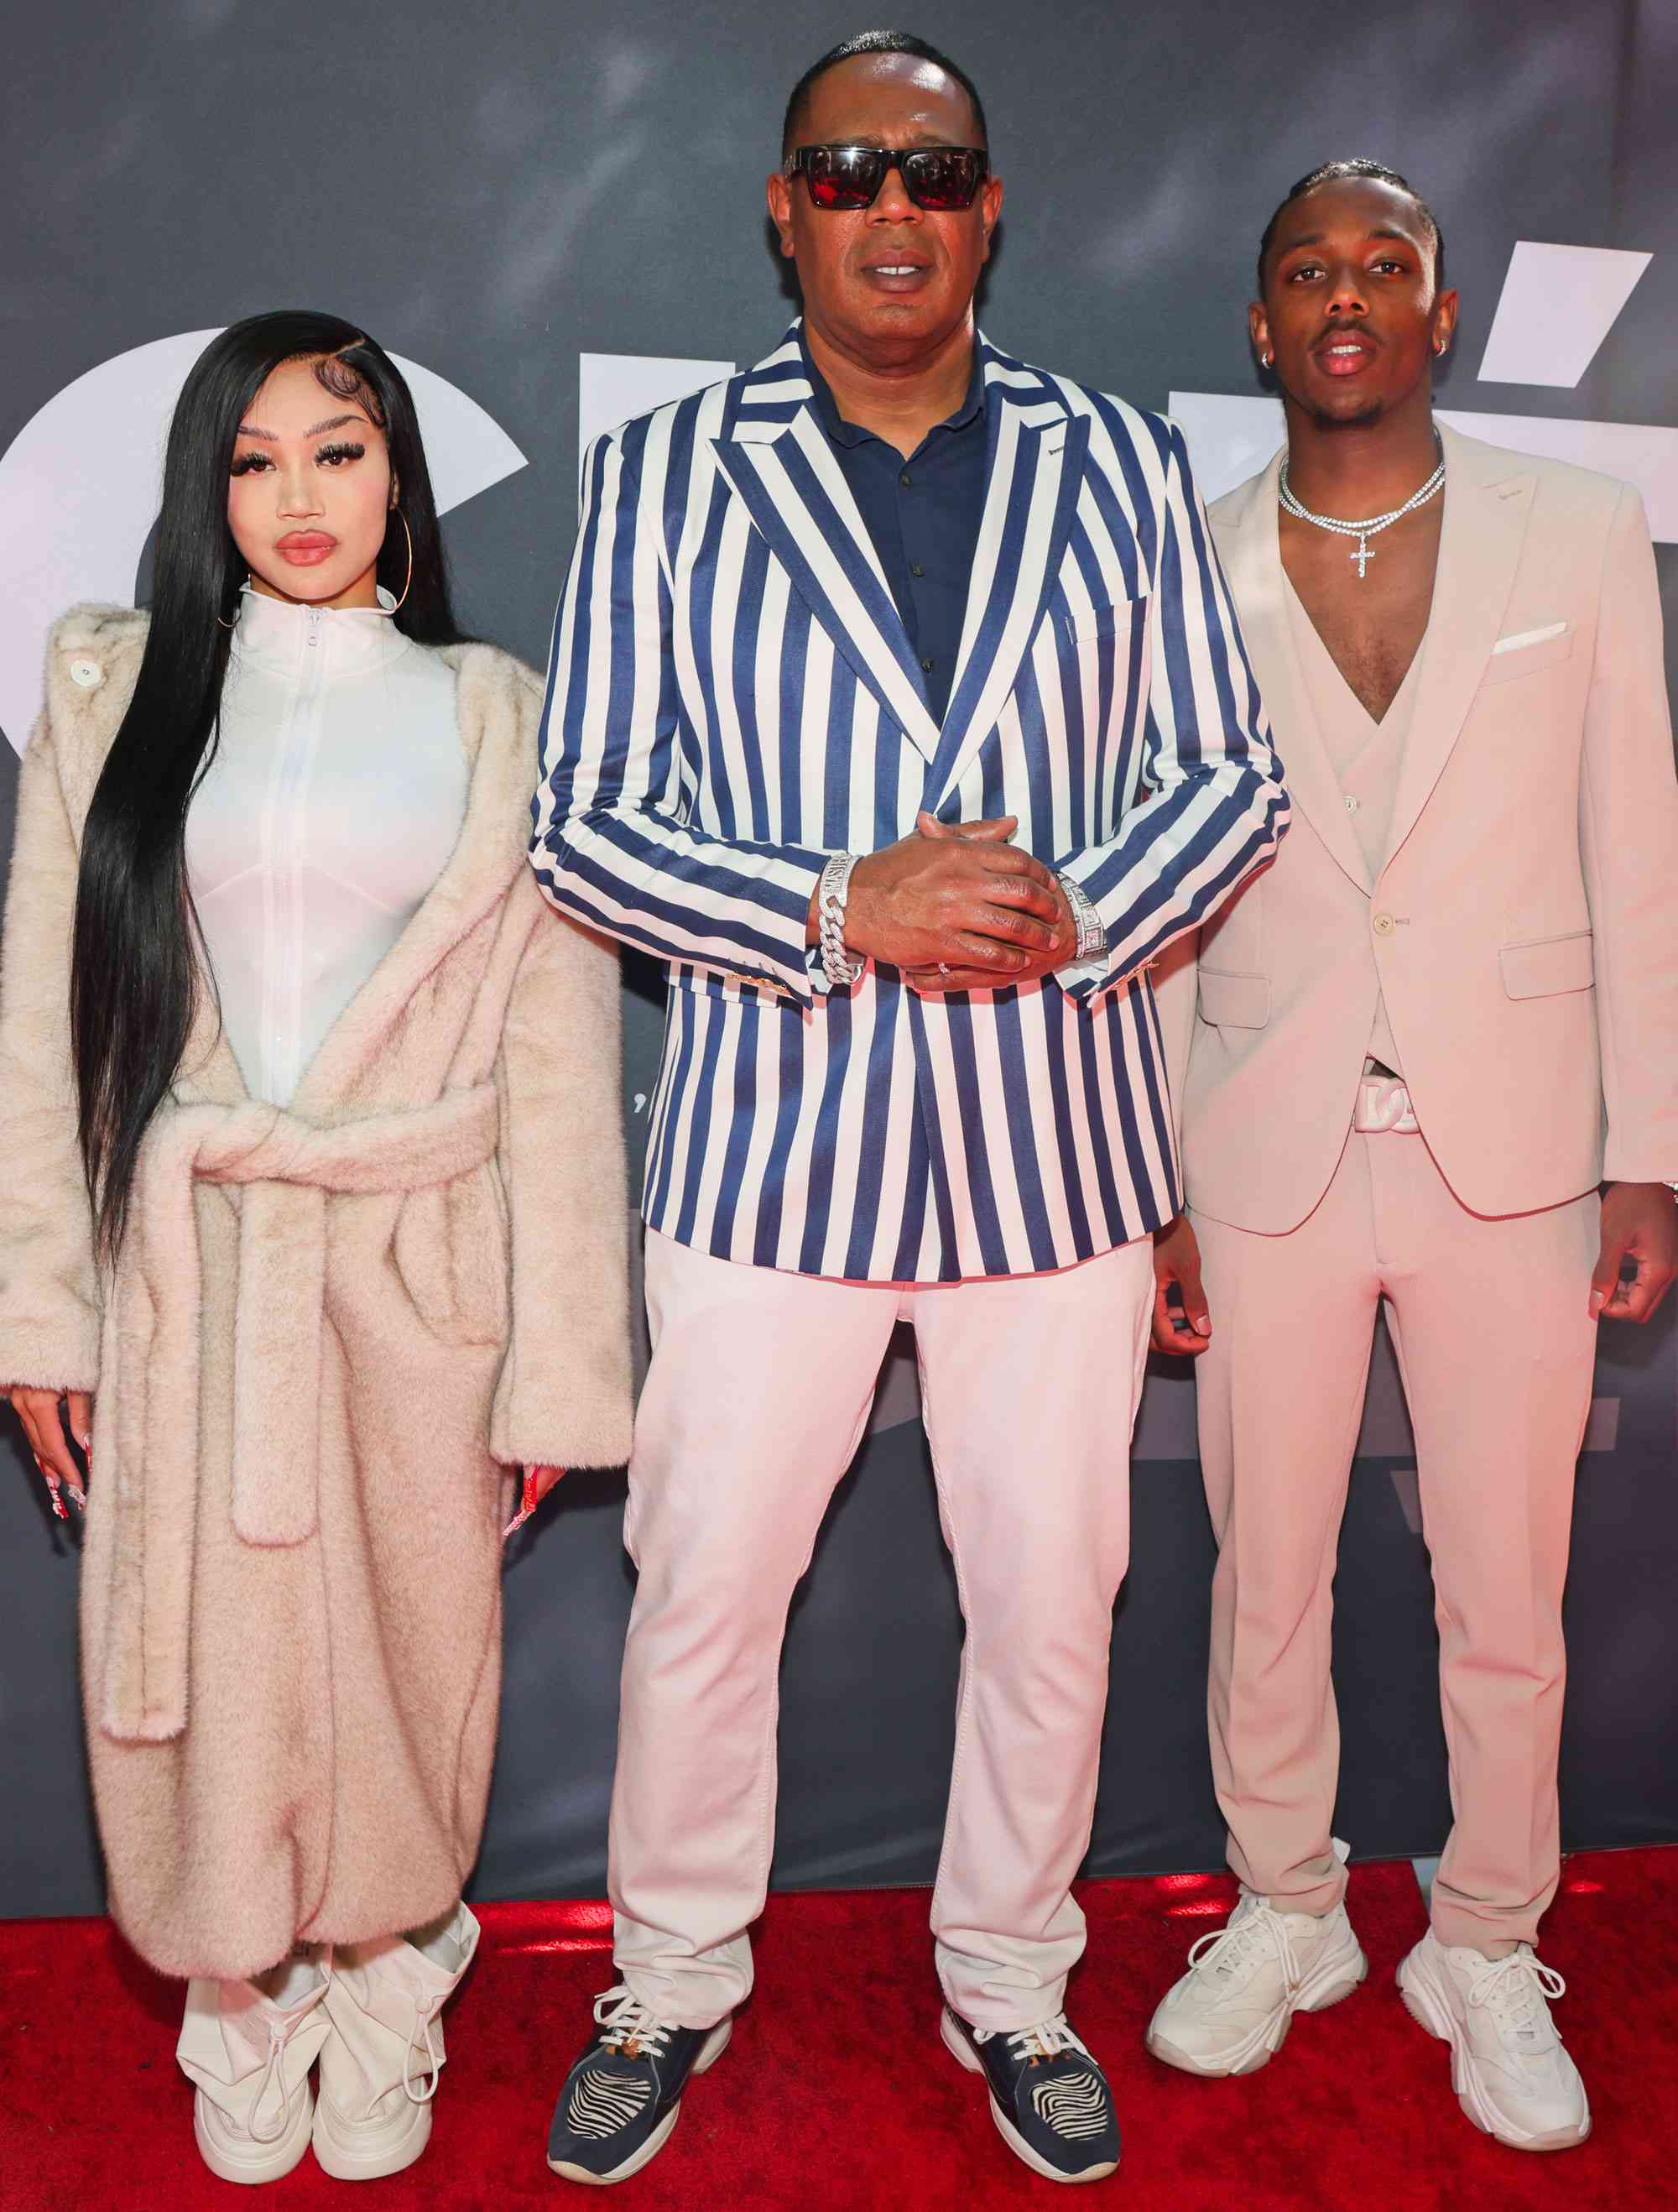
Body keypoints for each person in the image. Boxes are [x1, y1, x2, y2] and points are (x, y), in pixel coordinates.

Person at [530, 30, 1286, 2189]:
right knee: (699, 1596)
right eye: (848, 169)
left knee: (1055, 1598)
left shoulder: (1118, 461)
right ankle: (670, 1979)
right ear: (783, 204)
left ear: (988, 209)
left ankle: (1011, 1978)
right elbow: (585, 826)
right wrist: (836, 901)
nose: (891, 207)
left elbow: (1226, 777)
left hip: (1052, 1156)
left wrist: (1069, 915)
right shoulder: (673, 472)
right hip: (773, 1152)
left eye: (934, 174)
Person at [0, 311, 633, 2184]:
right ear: (210, 488)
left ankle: (391, 1983)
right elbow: (47, 1024)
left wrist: (560, 1359)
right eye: (254, 456)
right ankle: (237, 2003)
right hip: (185, 1279)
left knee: (406, 1666)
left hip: (417, 1266)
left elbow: (556, 1059)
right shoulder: (111, 690)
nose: (297, 493)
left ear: (398, 482)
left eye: (338, 450)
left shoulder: (494, 710)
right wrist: (44, 1305)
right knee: (200, 1668)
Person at [1145, 160, 1678, 2153]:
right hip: (1255, 1138)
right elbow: (1149, 901)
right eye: (1307, 272)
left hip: (1520, 1149)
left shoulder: (1579, 531)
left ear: (1441, 316)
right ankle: (1287, 1906)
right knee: (1261, 1569)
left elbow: (1640, 848)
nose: (1346, 299)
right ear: (1260, 327)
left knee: (1504, 1585)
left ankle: (1482, 1931)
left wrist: (1653, 1149)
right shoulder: (1178, 565)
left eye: (1385, 268)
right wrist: (1151, 1184)